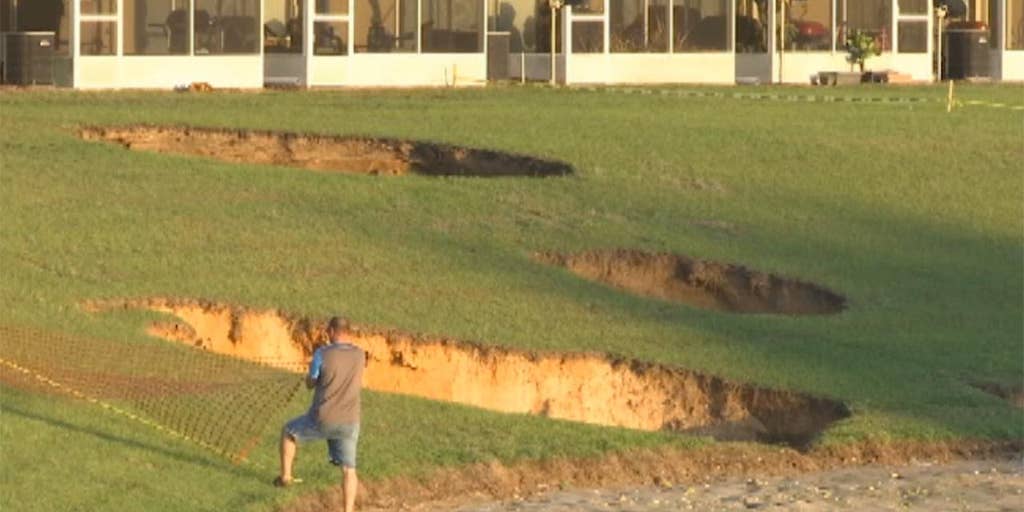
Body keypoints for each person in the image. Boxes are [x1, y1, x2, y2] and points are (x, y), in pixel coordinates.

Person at [276, 316, 365, 512]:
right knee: (349, 470)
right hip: (350, 421)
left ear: (332, 331)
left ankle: (286, 477)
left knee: (288, 432)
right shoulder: (360, 355)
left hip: (323, 417)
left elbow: (311, 382)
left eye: (328, 331)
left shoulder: (322, 353)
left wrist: (309, 377)